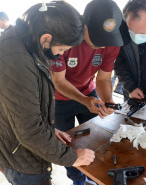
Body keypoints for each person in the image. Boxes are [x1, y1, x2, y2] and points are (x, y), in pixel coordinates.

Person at [0, 1, 95, 185]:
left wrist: (48, 129)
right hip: (15, 151)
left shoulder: (25, 40)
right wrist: (71, 157)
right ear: (46, 39)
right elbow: (29, 131)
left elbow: (23, 103)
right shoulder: (15, 59)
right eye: (61, 50)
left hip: (14, 135)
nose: (60, 55)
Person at [51, 0, 123, 184]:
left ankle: (95, 176)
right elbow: (59, 80)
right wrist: (83, 100)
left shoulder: (111, 43)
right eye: (98, 38)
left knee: (98, 138)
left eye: (106, 40)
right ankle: (77, 180)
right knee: (68, 143)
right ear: (84, 25)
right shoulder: (64, 37)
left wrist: (108, 100)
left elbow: (104, 78)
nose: (102, 45)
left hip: (89, 92)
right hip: (59, 98)